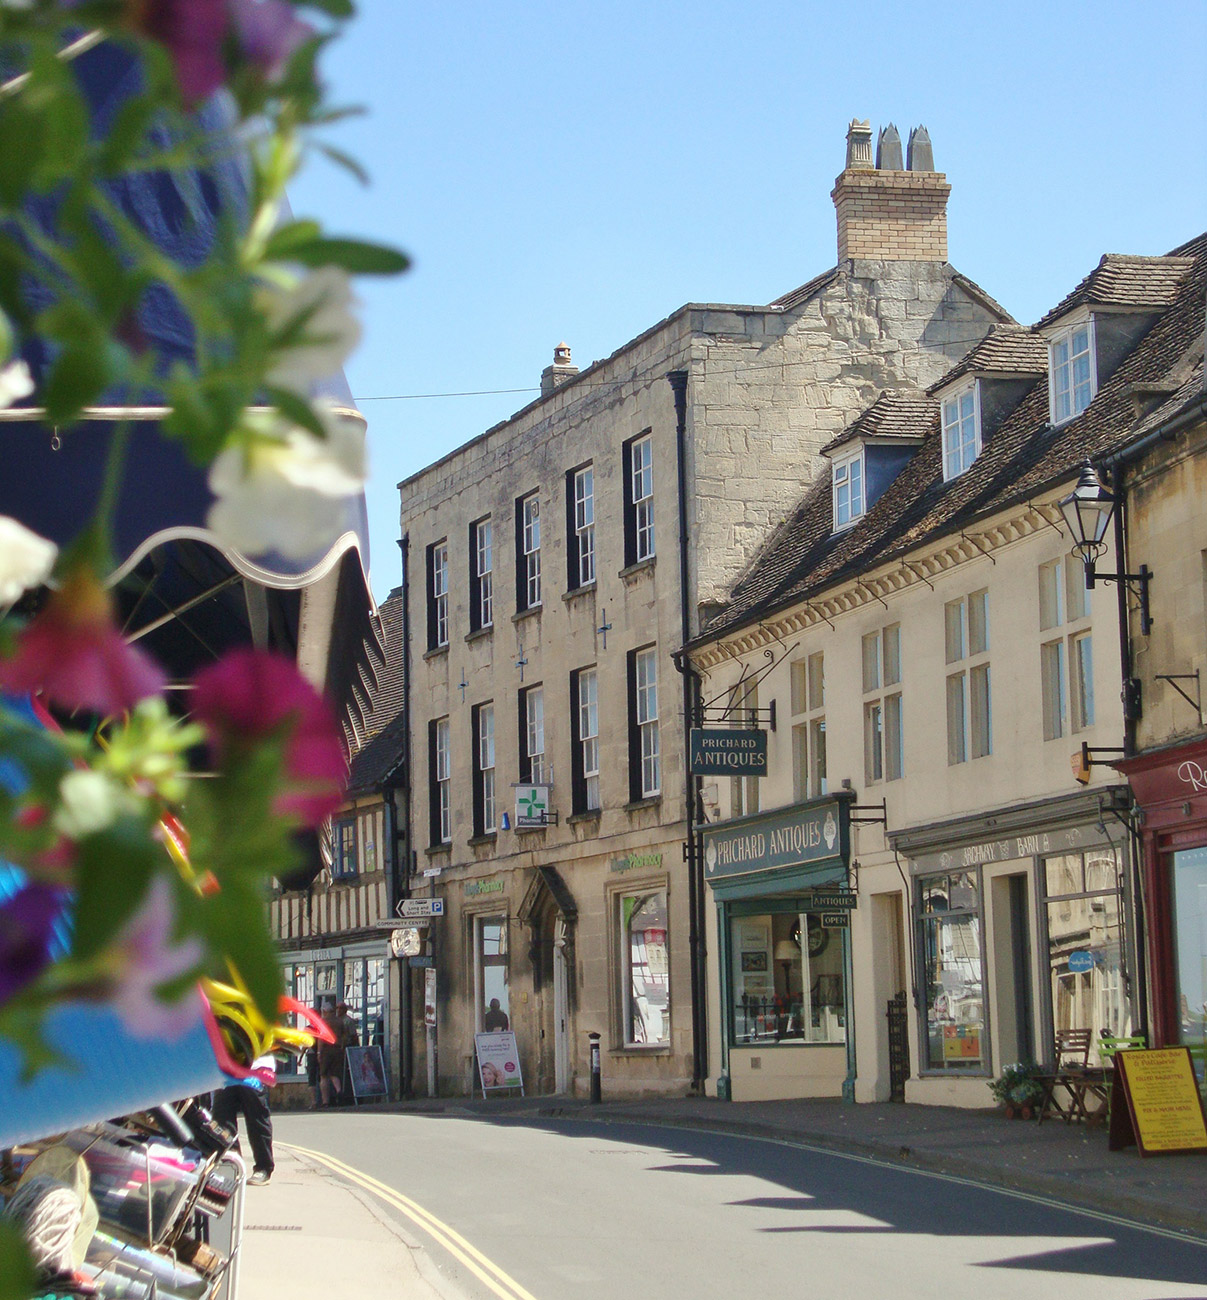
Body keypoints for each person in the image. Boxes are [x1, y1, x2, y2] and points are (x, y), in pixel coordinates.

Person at [212, 1053, 277, 1185]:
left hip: (256, 1067)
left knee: (257, 1119)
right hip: (227, 1067)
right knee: (222, 1118)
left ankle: (263, 1168)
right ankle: (232, 1165)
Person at [319, 1001, 359, 1107]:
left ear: (324, 1011)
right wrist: (342, 1046)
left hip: (327, 1050)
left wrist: (319, 1052)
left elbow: (321, 1039)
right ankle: (339, 1091)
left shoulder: (323, 1022)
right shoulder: (339, 1021)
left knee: (324, 1076)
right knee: (335, 1074)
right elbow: (346, 1035)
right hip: (337, 1049)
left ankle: (325, 1101)